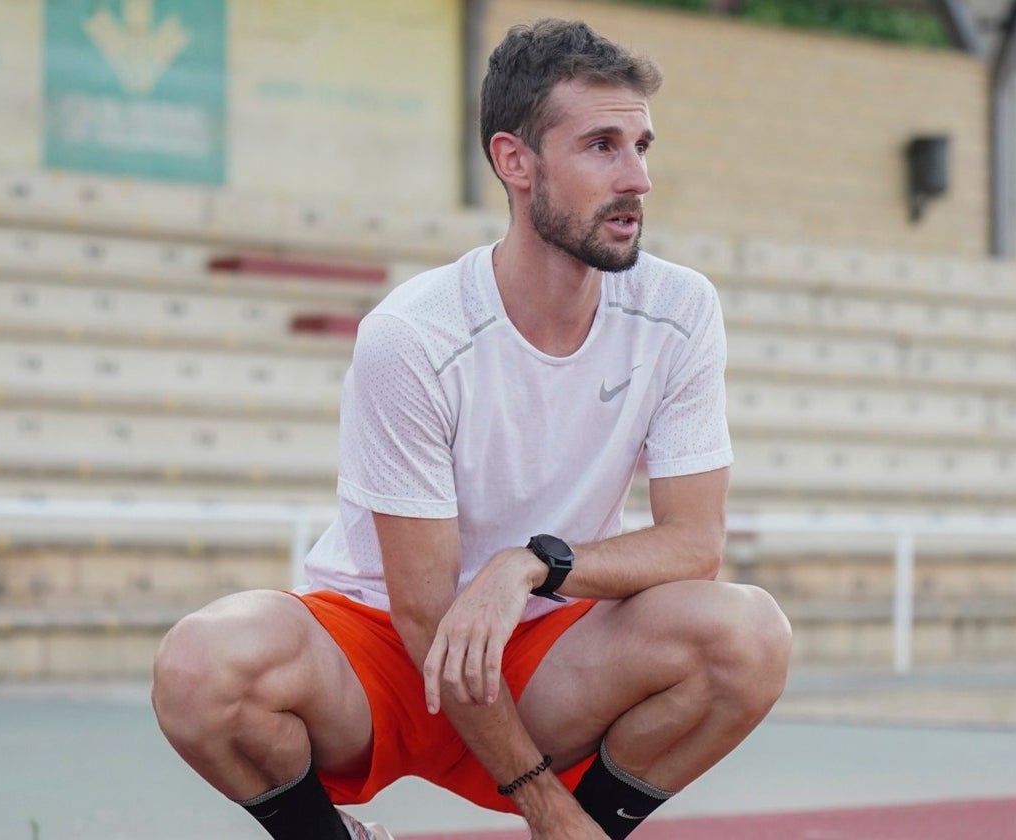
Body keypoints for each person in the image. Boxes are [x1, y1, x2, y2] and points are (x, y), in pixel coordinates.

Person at [152, 17, 791, 840]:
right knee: (201, 666)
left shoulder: (679, 309)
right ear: (515, 162)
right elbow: (424, 619)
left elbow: (694, 546)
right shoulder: (414, 335)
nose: (637, 178)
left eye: (642, 145)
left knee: (746, 635)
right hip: (380, 654)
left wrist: (532, 564)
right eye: (602, 145)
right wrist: (541, 800)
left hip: (547, 655)